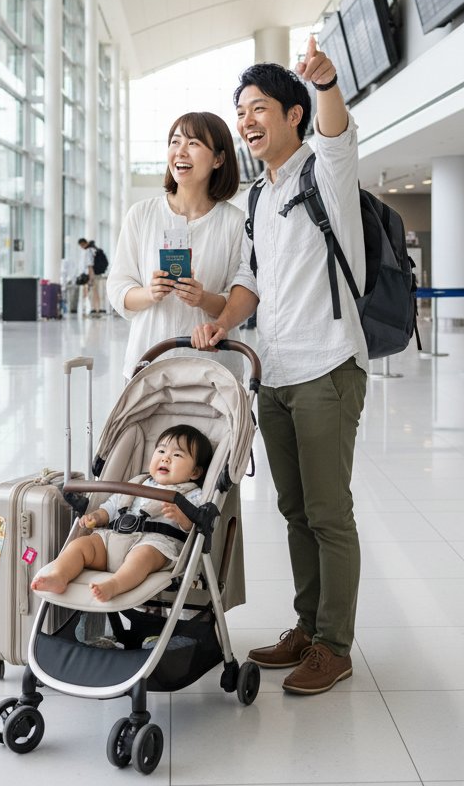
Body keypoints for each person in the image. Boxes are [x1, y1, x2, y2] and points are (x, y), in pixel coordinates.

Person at [191, 35, 368, 696]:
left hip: (328, 367)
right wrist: (221, 322)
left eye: (259, 106)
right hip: (277, 373)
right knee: (294, 511)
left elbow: (337, 132)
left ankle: (335, 645)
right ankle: (307, 625)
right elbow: (249, 281)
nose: (246, 119)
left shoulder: (324, 171)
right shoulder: (261, 200)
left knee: (328, 513)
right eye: (241, 110)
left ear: (292, 114)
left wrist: (324, 82)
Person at [106, 111, 244, 380]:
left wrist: (203, 299)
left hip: (214, 375)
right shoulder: (142, 214)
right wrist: (150, 293)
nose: (181, 151)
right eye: (175, 142)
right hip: (149, 367)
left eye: (193, 143)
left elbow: (241, 298)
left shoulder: (235, 222)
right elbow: (118, 288)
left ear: (219, 158)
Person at [30, 425, 212, 602]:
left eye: (177, 455)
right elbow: (112, 506)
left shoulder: (192, 493)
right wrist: (97, 517)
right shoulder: (137, 482)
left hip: (156, 543)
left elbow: (195, 527)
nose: (166, 459)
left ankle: (114, 585)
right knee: (81, 545)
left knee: (143, 556)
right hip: (114, 538)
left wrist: (182, 516)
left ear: (195, 472)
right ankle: (59, 576)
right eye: (161, 451)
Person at [77, 237, 105, 316]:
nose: (81, 247)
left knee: (93, 293)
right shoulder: (93, 250)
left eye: (81, 245)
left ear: (83, 243)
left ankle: (96, 310)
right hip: (94, 275)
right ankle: (96, 309)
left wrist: (90, 279)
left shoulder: (88, 251)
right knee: (94, 293)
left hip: (91, 276)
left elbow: (90, 266)